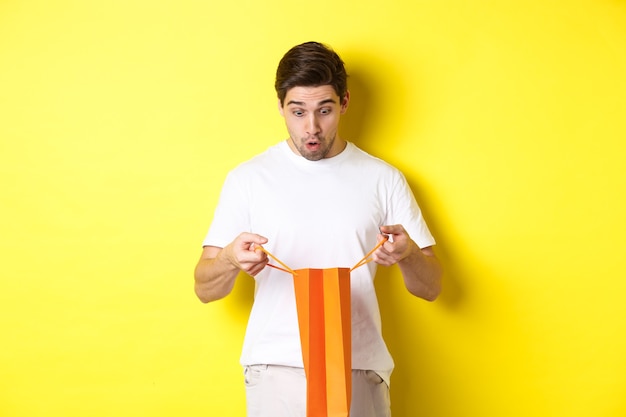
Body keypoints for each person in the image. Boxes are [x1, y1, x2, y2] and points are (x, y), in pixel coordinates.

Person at [194, 41, 442, 417]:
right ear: (280, 107)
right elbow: (204, 287)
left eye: (324, 110)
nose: (311, 127)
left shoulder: (383, 179)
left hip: (359, 365)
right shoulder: (248, 179)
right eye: (298, 112)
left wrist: (407, 254)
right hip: (276, 366)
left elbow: (432, 287)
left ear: (344, 103)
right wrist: (229, 258)